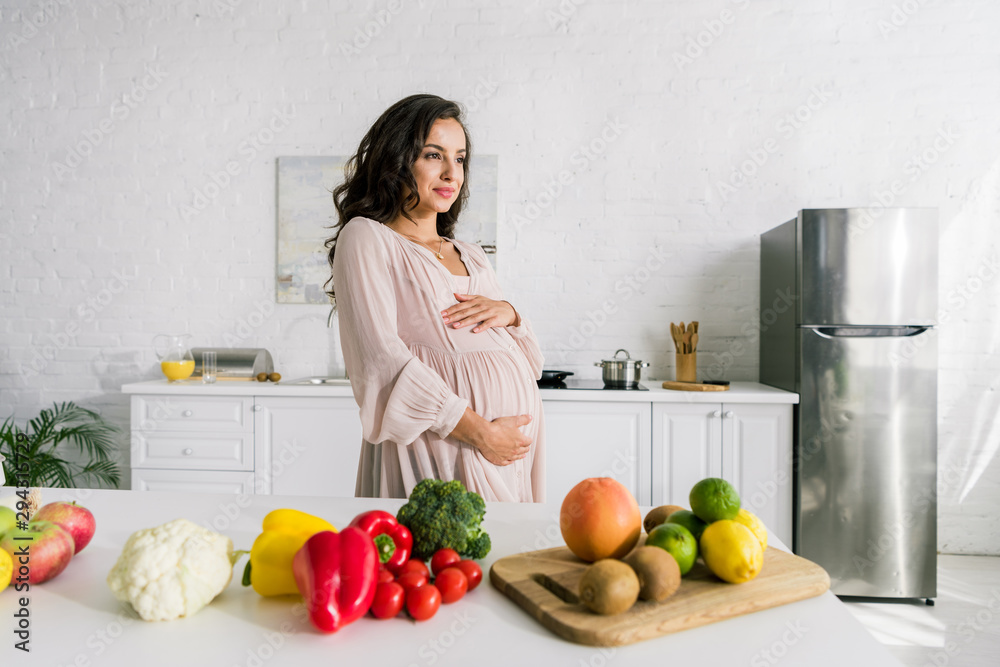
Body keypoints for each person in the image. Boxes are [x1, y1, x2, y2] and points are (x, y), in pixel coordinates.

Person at [324, 94, 545, 502]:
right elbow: (379, 360)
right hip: (435, 446)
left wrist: (512, 315)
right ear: (397, 159)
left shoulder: (472, 254)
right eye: (433, 155)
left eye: (459, 159)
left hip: (505, 455)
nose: (451, 173)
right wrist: (481, 433)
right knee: (436, 563)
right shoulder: (368, 237)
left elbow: (532, 364)